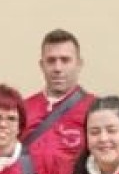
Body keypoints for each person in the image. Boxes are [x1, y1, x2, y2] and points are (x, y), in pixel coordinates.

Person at [22, 29, 95, 159]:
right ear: (41, 65)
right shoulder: (21, 110)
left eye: (65, 60)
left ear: (79, 64)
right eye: (51, 61)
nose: (57, 68)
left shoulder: (97, 109)